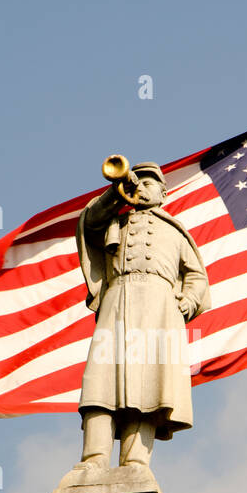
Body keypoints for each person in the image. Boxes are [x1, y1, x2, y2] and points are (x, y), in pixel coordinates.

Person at [67, 162, 210, 476]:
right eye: (138, 183)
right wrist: (116, 194)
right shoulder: (112, 220)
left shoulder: (175, 232)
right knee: (102, 381)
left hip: (160, 308)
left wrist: (187, 300)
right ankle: (93, 457)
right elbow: (89, 223)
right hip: (118, 299)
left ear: (163, 191)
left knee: (148, 385)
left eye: (149, 183)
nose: (142, 188)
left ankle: (135, 463)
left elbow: (197, 276)